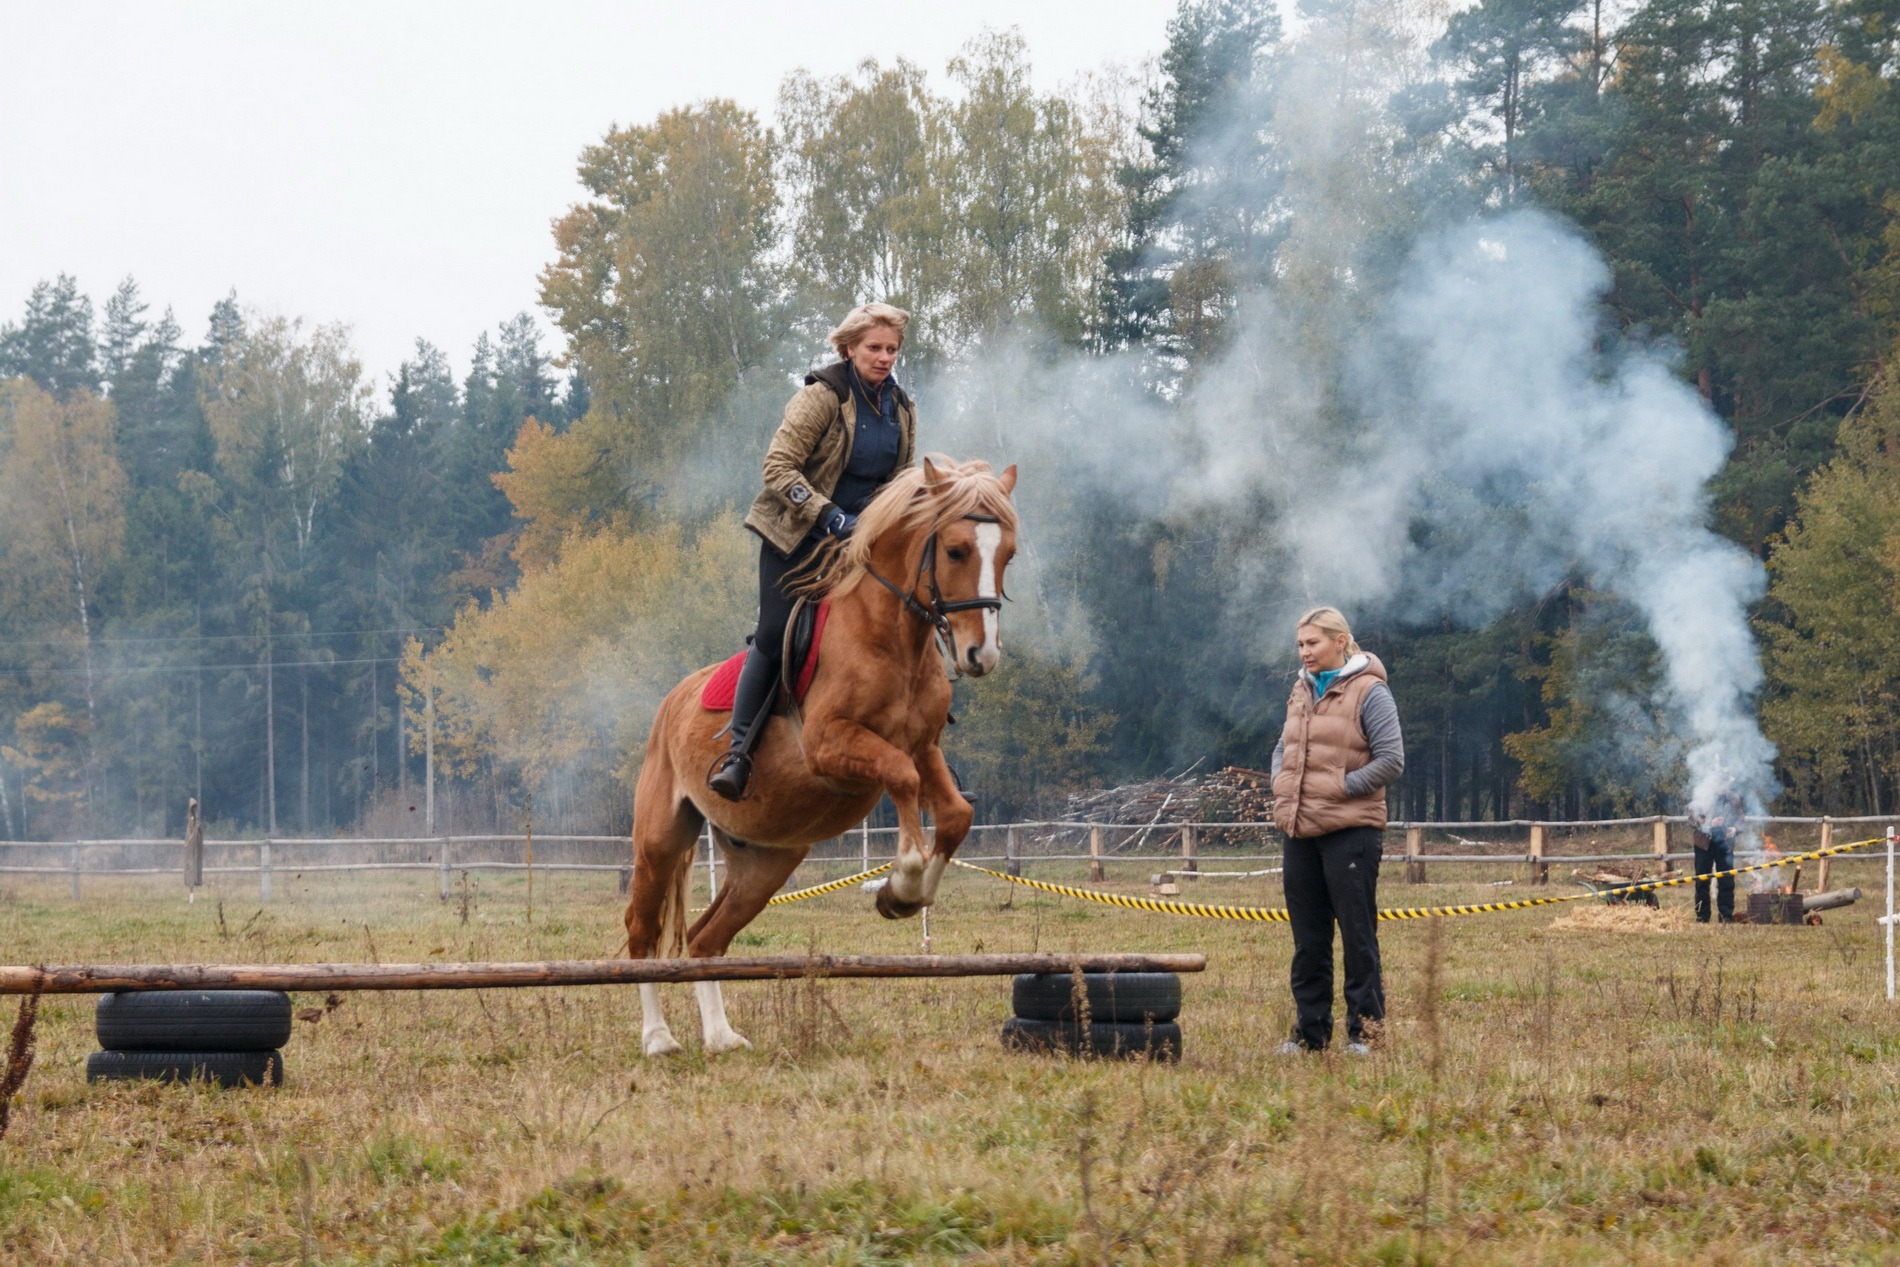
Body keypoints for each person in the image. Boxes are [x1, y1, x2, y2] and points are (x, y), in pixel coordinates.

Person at [707, 302, 916, 801]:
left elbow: (901, 480)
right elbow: (778, 467)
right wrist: (829, 515)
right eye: (874, 348)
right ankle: (738, 752)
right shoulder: (821, 397)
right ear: (849, 348)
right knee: (776, 631)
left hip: (859, 545)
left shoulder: (902, 407)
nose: (884, 357)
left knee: (907, 620)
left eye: (892, 349)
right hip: (796, 539)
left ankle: (923, 741)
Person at [1271, 607, 1405, 1055]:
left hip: (1351, 831)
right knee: (1308, 941)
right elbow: (1283, 745)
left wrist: (1339, 787)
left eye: (1312, 643)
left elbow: (1391, 760)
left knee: (1357, 936)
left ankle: (1365, 1035)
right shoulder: (1300, 689)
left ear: (1340, 641)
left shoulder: (1371, 692)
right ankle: (1310, 1036)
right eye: (1300, 644)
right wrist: (1281, 782)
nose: (1304, 651)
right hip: (1299, 829)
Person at [1692, 799, 1740, 923]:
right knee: (1702, 881)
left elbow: (1740, 818)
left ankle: (1726, 915)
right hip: (1703, 844)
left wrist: (1735, 829)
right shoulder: (1701, 793)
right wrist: (1709, 823)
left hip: (1725, 844)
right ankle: (1702, 915)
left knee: (1727, 880)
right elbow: (1692, 818)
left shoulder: (1732, 797)